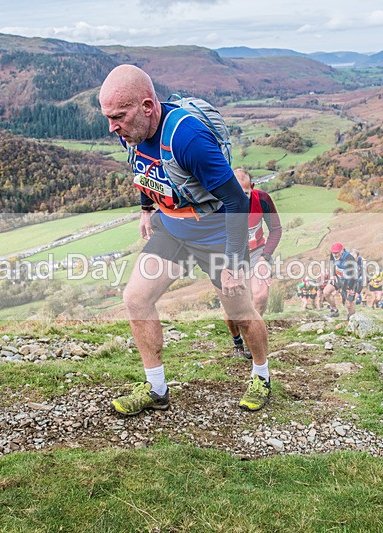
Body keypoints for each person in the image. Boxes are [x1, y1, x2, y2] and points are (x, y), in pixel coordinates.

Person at [99, 65, 271, 414]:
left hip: (215, 233)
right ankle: (156, 388)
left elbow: (238, 200)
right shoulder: (129, 130)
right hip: (173, 229)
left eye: (118, 116)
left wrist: (236, 261)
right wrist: (147, 208)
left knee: (239, 310)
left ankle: (261, 374)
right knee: (135, 298)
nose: (112, 127)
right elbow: (143, 169)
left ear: (147, 107)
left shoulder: (187, 139)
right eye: (108, 117)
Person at [224, 168, 282, 359]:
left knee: (260, 295)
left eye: (246, 193)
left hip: (257, 252)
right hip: (230, 256)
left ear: (253, 188)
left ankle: (252, 337)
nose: (242, 198)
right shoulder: (219, 203)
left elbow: (276, 229)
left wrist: (265, 257)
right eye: (237, 192)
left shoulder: (263, 199)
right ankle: (237, 342)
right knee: (231, 307)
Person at [321, 242, 362, 320]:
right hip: (339, 279)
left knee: (349, 303)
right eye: (334, 253)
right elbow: (332, 263)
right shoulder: (332, 255)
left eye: (337, 253)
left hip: (350, 281)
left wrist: (350, 289)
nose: (335, 255)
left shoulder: (349, 258)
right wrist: (332, 275)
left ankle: (351, 318)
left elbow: (354, 276)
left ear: (342, 250)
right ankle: (334, 310)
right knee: (326, 292)